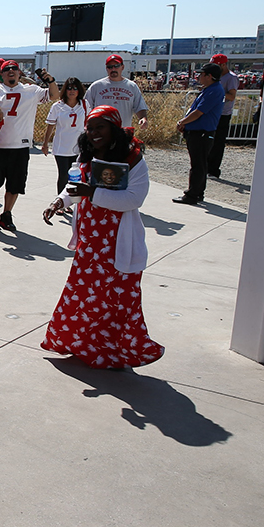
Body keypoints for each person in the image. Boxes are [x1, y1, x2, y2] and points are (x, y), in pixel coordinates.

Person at [41, 106, 164, 369]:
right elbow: (75, 187)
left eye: (101, 127)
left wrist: (92, 193)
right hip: (90, 243)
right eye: (90, 128)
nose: (94, 133)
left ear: (114, 129)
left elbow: (134, 199)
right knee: (85, 296)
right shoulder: (86, 155)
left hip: (118, 242)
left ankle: (112, 352)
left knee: (116, 299)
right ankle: (81, 345)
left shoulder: (133, 159)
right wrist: (59, 202)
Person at [0, 61, 60, 233]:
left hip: (20, 146)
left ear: (19, 73)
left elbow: (54, 96)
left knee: (15, 184)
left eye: (14, 69)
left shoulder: (30, 90)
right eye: (6, 70)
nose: (10, 72)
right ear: (1, 74)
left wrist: (50, 80)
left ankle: (7, 214)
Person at [172, 62, 225, 205]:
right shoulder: (209, 89)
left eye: (202, 74)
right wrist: (186, 125)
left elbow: (199, 112)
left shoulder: (214, 90)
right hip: (197, 132)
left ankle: (192, 195)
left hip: (202, 133)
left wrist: (183, 122)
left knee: (198, 165)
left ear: (210, 76)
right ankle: (198, 192)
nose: (199, 77)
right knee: (199, 164)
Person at [42, 77, 87, 194]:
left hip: (78, 147)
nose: (72, 91)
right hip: (61, 147)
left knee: (77, 175)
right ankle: (61, 202)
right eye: (69, 88)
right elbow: (50, 125)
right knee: (63, 175)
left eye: (75, 88)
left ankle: (73, 198)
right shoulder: (57, 106)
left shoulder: (84, 104)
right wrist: (45, 144)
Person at [84, 55, 148, 129]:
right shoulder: (96, 86)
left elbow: (139, 106)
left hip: (123, 131)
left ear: (122, 67)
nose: (113, 69)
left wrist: (143, 118)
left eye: (116, 66)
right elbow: (86, 108)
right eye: (110, 67)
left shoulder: (131, 86)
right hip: (101, 132)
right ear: (106, 68)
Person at [207, 53, 240, 179]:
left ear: (223, 65)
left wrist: (217, 92)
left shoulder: (231, 78)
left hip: (223, 114)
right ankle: (206, 167)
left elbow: (231, 96)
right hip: (213, 112)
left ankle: (214, 170)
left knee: (218, 142)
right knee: (208, 140)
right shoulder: (216, 77)